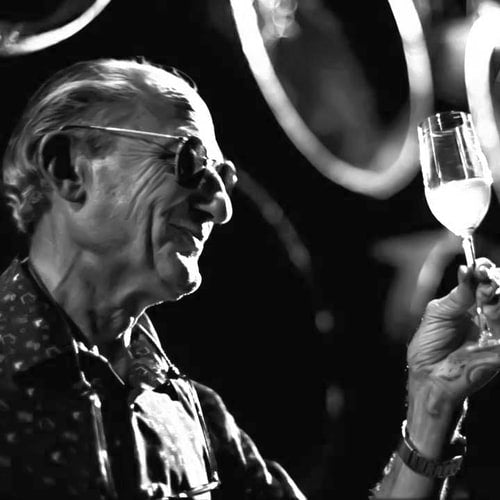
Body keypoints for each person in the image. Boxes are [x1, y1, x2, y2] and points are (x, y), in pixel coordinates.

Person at [0, 58, 500, 500]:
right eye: (190, 161)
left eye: (225, 178)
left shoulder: (191, 413)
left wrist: (433, 403)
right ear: (67, 169)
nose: (221, 208)